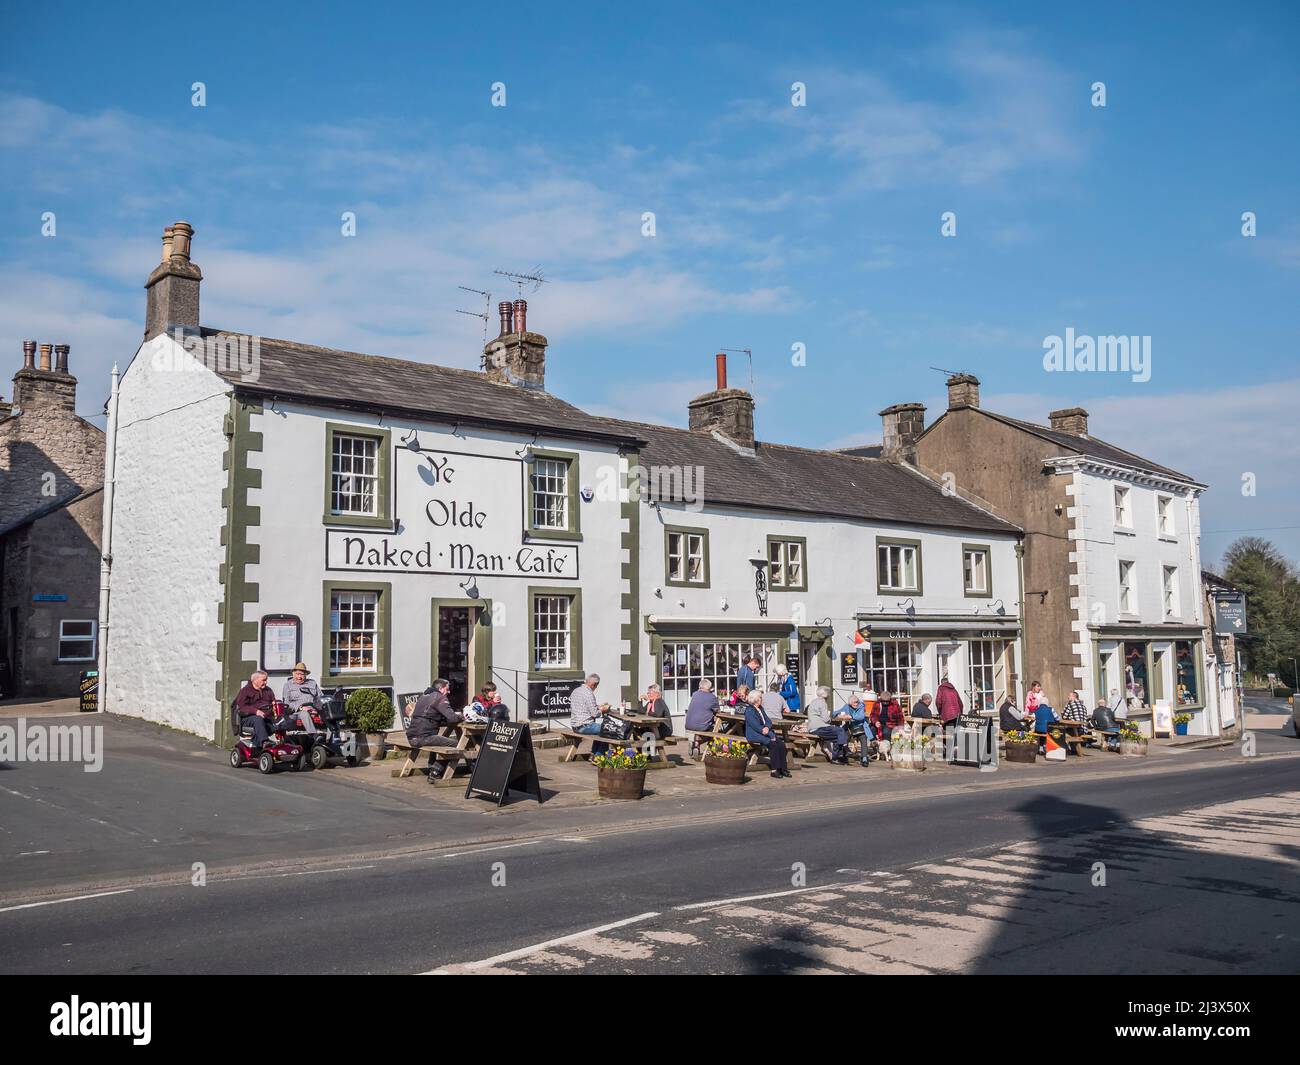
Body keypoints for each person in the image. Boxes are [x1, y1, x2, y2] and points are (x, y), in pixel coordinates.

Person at [406, 679, 462, 781]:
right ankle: (435, 771)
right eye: (447, 689)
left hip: (412, 736)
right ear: (440, 688)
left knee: (438, 741)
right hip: (423, 737)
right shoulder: (439, 697)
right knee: (458, 745)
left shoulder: (424, 696)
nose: (449, 692)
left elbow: (430, 714)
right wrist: (461, 716)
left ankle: (431, 767)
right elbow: (452, 718)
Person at [744, 690, 789, 778]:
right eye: (760, 697)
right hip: (755, 734)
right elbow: (755, 725)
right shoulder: (749, 710)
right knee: (773, 744)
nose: (762, 699)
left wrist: (767, 727)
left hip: (765, 732)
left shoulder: (760, 708)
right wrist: (765, 731)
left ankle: (783, 769)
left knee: (781, 744)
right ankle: (774, 770)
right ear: (756, 699)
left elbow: (768, 720)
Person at [802, 685, 849, 764]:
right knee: (840, 730)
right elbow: (826, 719)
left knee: (838, 738)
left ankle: (837, 756)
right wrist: (830, 719)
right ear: (826, 694)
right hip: (819, 728)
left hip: (812, 727)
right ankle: (841, 752)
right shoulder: (822, 702)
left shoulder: (813, 701)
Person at [568, 673, 611, 755]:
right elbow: (595, 714)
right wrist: (603, 709)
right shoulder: (589, 693)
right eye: (596, 686)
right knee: (606, 729)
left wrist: (599, 707)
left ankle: (594, 753)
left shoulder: (576, 691)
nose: (596, 688)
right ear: (593, 685)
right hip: (584, 726)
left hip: (574, 726)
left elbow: (584, 707)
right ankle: (598, 757)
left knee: (600, 730)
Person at [233, 670, 278, 748]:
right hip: (248, 718)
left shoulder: (268, 690)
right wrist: (256, 711)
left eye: (266, 680)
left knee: (283, 721)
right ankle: (264, 742)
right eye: (263, 680)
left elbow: (274, 703)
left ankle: (285, 745)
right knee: (257, 719)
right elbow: (241, 707)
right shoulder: (245, 690)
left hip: (266, 718)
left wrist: (275, 707)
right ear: (255, 680)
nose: (266, 682)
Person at [281, 662, 323, 732]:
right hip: (296, 713)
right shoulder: (288, 685)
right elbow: (286, 704)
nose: (299, 677)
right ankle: (314, 736)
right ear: (293, 674)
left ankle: (332, 739)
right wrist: (301, 708)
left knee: (329, 713)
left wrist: (316, 709)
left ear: (306, 675)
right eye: (297, 674)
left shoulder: (312, 683)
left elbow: (320, 698)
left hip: (314, 710)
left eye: (302, 674)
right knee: (304, 713)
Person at [839, 693, 873, 766]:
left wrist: (850, 716)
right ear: (850, 703)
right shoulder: (847, 707)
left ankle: (864, 758)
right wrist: (838, 715)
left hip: (860, 728)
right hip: (850, 728)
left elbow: (861, 716)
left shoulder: (861, 706)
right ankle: (844, 755)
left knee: (863, 739)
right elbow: (836, 712)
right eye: (854, 703)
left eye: (857, 702)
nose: (856, 704)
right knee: (844, 737)